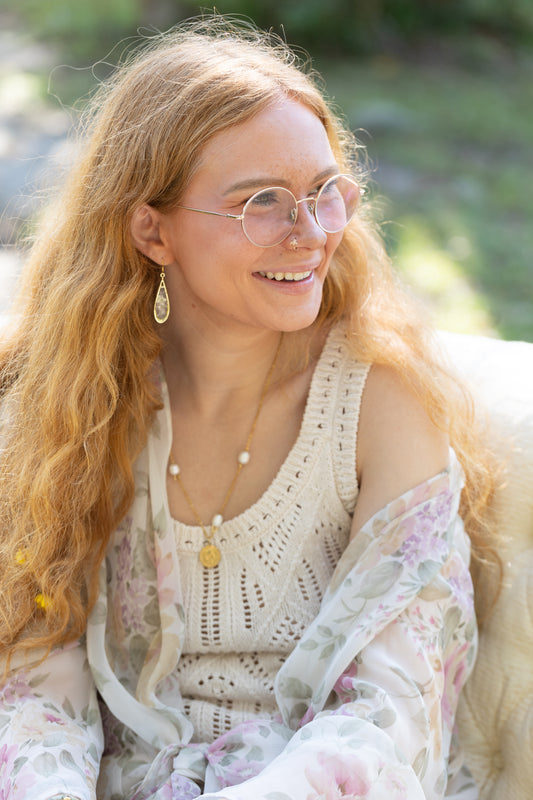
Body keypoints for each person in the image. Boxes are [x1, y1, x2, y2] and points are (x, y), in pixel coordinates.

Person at [0, 17, 497, 800]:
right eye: (261, 202)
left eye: (325, 193)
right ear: (150, 229)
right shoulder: (77, 405)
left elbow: (392, 715)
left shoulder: (381, 401)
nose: (309, 234)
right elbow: (33, 679)